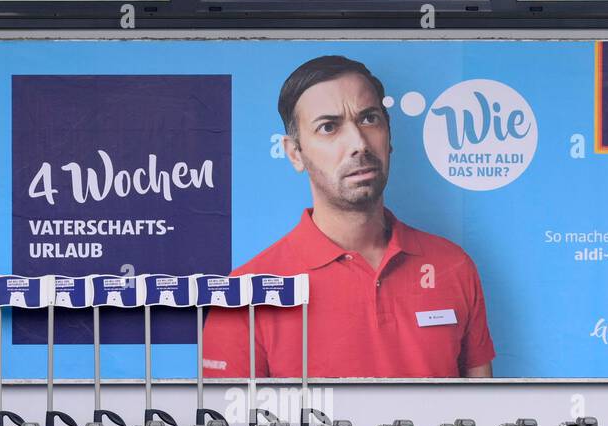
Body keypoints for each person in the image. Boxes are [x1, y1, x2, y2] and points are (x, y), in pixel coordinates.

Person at [202, 54, 495, 380]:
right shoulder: (245, 294)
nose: (358, 143)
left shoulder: (453, 266)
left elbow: (481, 415)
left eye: (369, 119)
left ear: (389, 137)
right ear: (295, 153)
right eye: (328, 127)